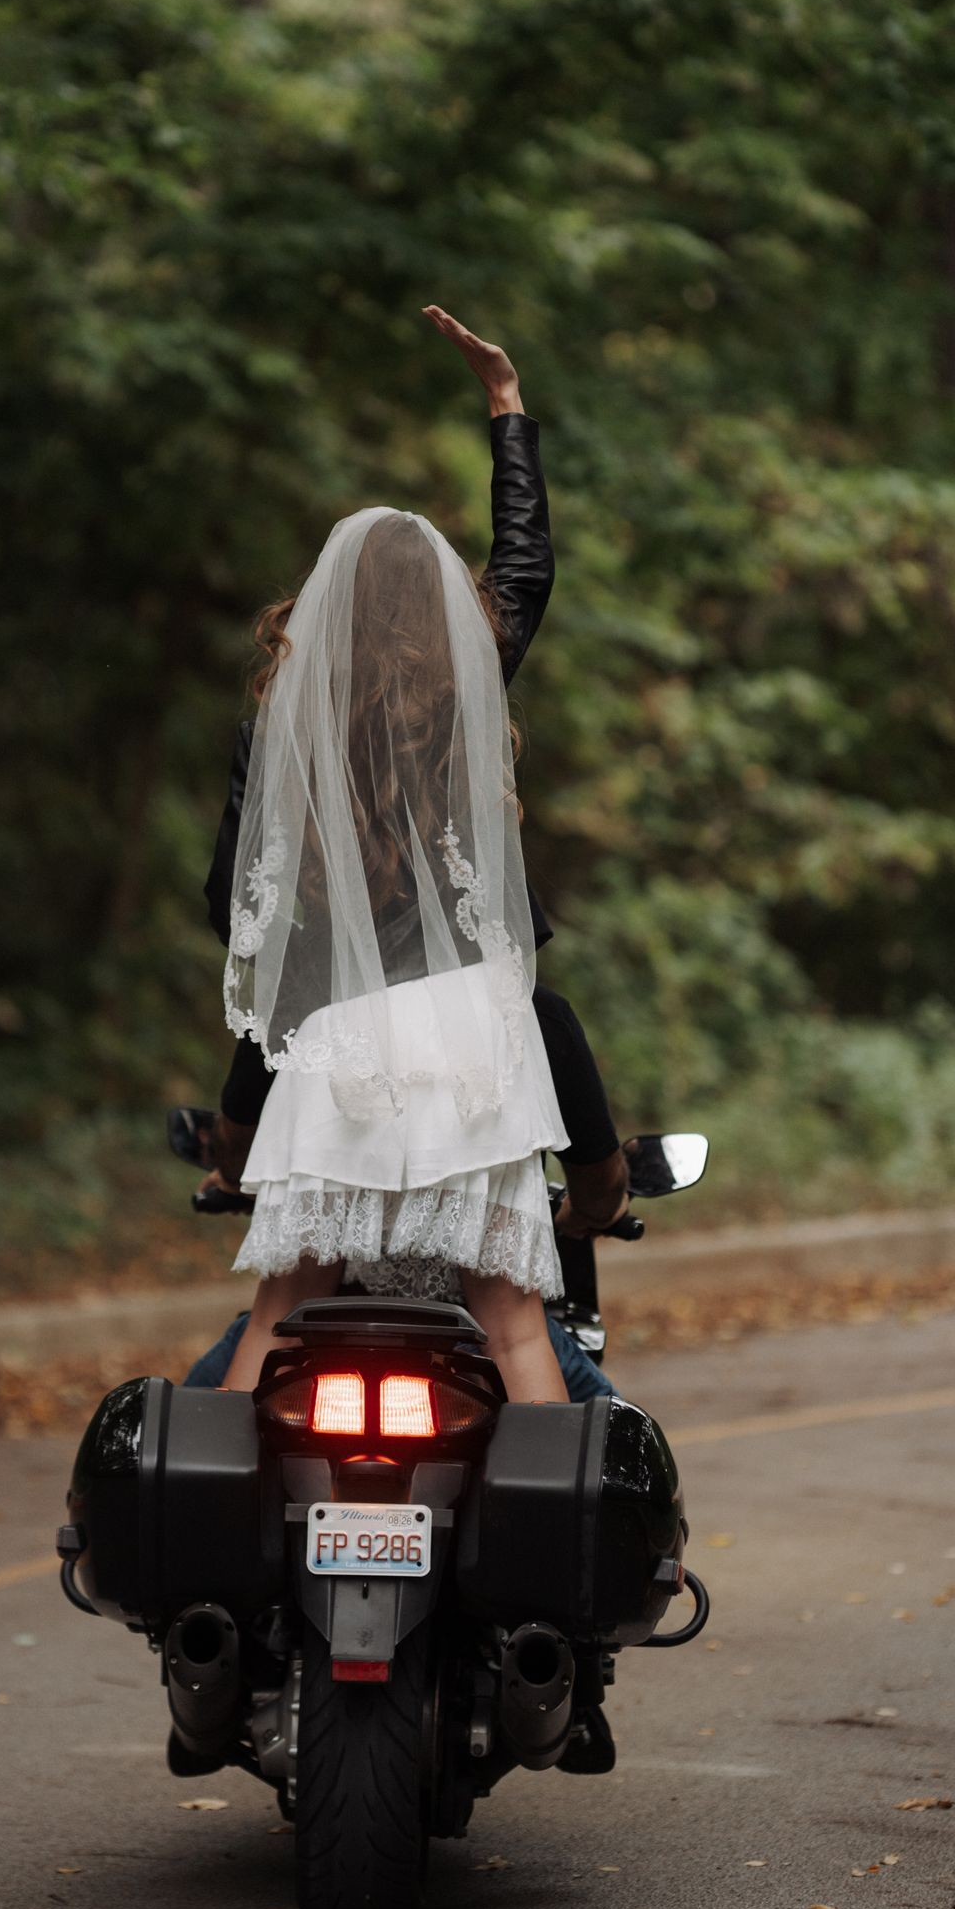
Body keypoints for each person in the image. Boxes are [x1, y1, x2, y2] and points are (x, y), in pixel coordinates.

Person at [191, 309, 630, 1399]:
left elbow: (230, 904)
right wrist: (506, 409)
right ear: (447, 613)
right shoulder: (462, 696)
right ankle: (549, 1543)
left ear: (322, 611)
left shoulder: (281, 732)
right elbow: (525, 575)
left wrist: (304, 971)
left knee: (276, 1317)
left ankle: (220, 1525)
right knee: (521, 1334)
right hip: (476, 1047)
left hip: (335, 1047)